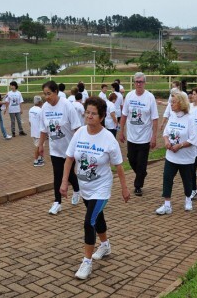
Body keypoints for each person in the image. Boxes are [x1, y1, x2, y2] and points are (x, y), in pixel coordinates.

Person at [60, 97, 130, 280]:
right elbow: (69, 159)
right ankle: (105, 245)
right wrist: (64, 182)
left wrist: (124, 188)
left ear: (102, 117)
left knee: (88, 222)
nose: (89, 116)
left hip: (101, 187)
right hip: (85, 187)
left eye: (93, 114)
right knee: (97, 218)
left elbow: (119, 166)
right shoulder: (79, 133)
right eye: (87, 113)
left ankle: (87, 262)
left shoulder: (108, 138)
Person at [38, 81, 82, 214]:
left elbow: (77, 128)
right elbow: (43, 129)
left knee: (68, 173)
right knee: (58, 174)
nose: (47, 97)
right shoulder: (44, 108)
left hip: (69, 148)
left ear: (56, 92)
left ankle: (77, 189)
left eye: (49, 94)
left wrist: (79, 147)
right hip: (55, 148)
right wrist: (40, 145)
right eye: (45, 94)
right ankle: (57, 202)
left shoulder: (67, 106)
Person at [156, 92, 197, 214]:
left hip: (186, 157)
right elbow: (166, 133)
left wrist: (180, 145)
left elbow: (193, 139)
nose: (171, 104)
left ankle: (188, 200)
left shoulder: (190, 118)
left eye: (173, 102)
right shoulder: (172, 116)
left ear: (181, 103)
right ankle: (167, 204)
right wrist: (167, 141)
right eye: (170, 102)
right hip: (171, 156)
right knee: (167, 178)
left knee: (187, 179)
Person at [119, 72, 159, 196]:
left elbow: (155, 118)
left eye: (141, 81)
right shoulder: (130, 96)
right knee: (131, 160)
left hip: (145, 137)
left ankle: (138, 186)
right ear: (134, 83)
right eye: (136, 81)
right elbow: (124, 115)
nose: (138, 84)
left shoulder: (150, 97)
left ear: (144, 83)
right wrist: (121, 131)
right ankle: (141, 173)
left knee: (141, 162)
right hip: (131, 136)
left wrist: (154, 136)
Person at [29, 95, 45, 167]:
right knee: (38, 146)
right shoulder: (40, 111)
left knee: (38, 145)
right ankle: (35, 160)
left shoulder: (31, 109)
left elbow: (30, 122)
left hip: (33, 131)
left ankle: (39, 158)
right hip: (39, 132)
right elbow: (43, 122)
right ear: (39, 102)